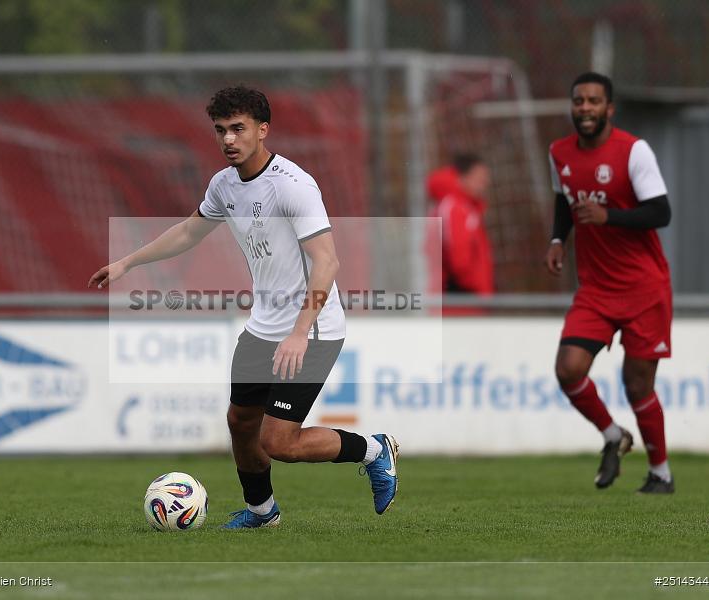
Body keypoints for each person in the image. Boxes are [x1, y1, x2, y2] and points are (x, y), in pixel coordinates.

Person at [89, 86, 399, 527]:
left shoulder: (293, 186)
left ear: (262, 129)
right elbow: (188, 232)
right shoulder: (224, 184)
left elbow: (327, 261)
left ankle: (373, 450)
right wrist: (127, 262)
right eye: (220, 131)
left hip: (311, 330)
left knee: (280, 442)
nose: (228, 140)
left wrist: (298, 332)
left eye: (238, 129)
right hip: (264, 326)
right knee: (240, 422)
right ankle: (261, 512)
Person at [545, 72, 674, 493]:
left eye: (594, 101)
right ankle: (612, 435)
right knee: (568, 369)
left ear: (609, 109)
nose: (585, 108)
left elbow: (660, 213)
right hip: (596, 289)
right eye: (579, 100)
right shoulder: (559, 152)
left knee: (637, 383)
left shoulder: (633, 151)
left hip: (643, 288)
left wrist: (609, 217)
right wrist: (558, 239)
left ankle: (660, 473)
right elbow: (564, 201)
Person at [426, 154, 494, 314]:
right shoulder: (455, 208)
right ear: (463, 177)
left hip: (466, 300)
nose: (485, 183)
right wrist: (476, 287)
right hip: (460, 301)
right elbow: (459, 259)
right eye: (479, 177)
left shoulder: (464, 207)